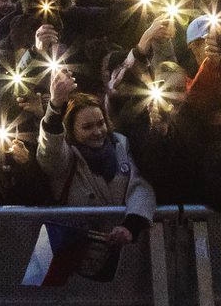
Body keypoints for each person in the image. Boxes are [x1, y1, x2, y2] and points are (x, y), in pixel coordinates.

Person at [37, 66, 155, 247]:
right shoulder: (66, 155)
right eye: (87, 127)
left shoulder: (120, 144)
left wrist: (131, 226)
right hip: (75, 250)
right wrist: (55, 106)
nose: (97, 132)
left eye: (100, 124)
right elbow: (49, 154)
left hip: (123, 246)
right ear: (71, 130)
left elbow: (139, 185)